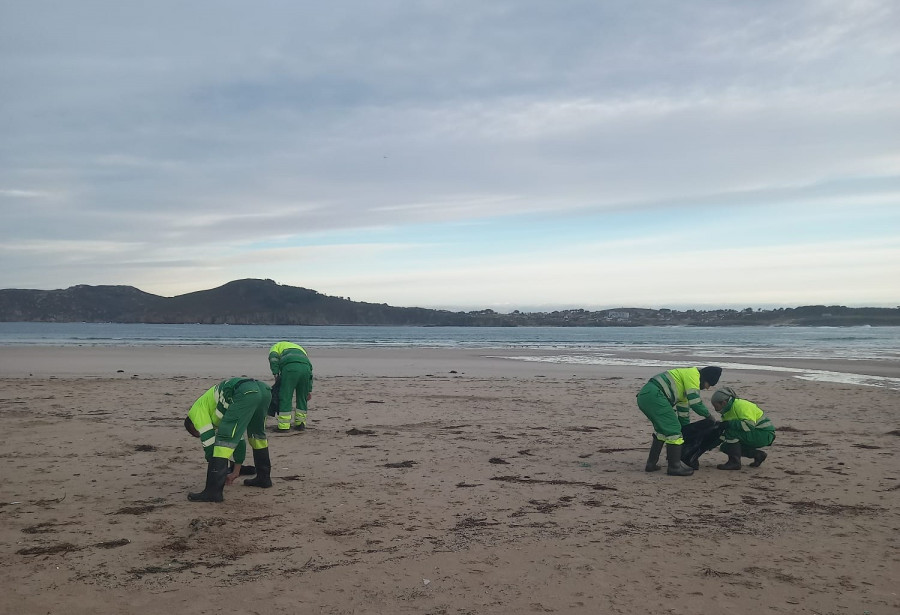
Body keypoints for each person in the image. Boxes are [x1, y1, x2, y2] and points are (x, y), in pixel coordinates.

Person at [184, 377, 274, 502]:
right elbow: (239, 441)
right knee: (257, 435)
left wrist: (218, 471)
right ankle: (263, 478)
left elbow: (209, 443)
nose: (200, 433)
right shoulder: (219, 410)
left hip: (245, 392)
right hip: (264, 390)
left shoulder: (195, 413)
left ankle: (213, 492)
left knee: (224, 438)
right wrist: (235, 471)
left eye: (197, 433)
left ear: (192, 425)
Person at [636, 366, 722, 476]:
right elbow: (695, 403)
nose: (707, 388)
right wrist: (709, 417)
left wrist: (686, 434)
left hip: (646, 396)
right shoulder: (693, 376)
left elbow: (683, 416)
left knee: (663, 430)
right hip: (655, 396)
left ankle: (651, 464)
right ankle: (674, 467)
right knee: (673, 430)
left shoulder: (684, 387)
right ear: (704, 378)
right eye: (709, 384)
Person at [711, 386, 775, 470]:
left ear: (723, 403)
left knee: (731, 433)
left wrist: (728, 424)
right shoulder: (727, 411)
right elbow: (726, 431)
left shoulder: (740, 405)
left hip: (764, 433)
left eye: (716, 406)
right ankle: (757, 454)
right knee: (725, 447)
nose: (715, 409)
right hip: (756, 433)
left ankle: (734, 463)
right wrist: (713, 443)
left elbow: (749, 425)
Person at [268, 341, 313, 432]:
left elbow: (273, 359)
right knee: (302, 397)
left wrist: (276, 374)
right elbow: (310, 373)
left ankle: (284, 426)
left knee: (285, 396)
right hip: (306, 369)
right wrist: (309, 390)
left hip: (290, 369)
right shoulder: (300, 348)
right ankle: (300, 424)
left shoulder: (276, 347)